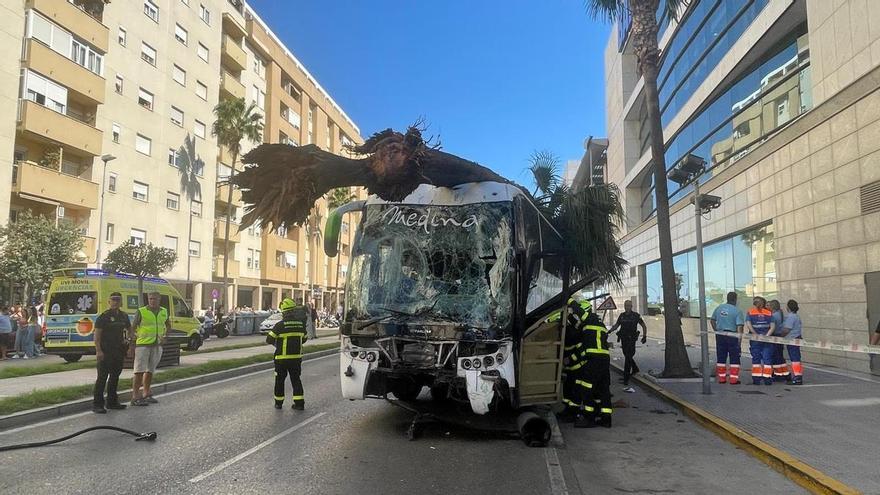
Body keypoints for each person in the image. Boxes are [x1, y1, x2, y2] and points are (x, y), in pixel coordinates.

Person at [574, 299, 613, 428]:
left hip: (594, 360)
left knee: (586, 387)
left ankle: (589, 417)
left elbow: (580, 316)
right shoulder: (599, 323)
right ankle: (606, 418)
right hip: (604, 359)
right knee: (603, 388)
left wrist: (568, 300)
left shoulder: (588, 319)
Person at [130, 292, 171, 406]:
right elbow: (132, 327)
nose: (152, 301)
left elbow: (168, 325)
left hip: (157, 345)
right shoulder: (142, 311)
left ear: (159, 299)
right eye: (150, 299)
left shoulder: (164, 311)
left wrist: (166, 336)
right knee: (139, 371)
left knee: (150, 371)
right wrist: (132, 341)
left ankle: (146, 393)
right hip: (143, 345)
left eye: (154, 299)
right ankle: (135, 396)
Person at [92, 292, 131, 413]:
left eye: (118, 300)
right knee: (102, 378)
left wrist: (130, 345)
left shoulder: (124, 316)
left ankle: (112, 401)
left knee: (115, 377)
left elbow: (129, 331)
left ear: (121, 302)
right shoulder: (103, 317)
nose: (115, 302)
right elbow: (97, 336)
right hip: (105, 351)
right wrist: (98, 350)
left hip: (118, 351)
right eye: (113, 300)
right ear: (109, 302)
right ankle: (97, 404)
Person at [267, 298, 308, 410]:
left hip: (281, 359)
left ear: (284, 312)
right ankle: (299, 403)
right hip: (296, 359)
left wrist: (278, 344)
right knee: (296, 380)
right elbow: (304, 339)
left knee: (279, 381)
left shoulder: (280, 325)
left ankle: (278, 403)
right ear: (294, 311)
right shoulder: (300, 325)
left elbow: (269, 339)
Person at [609, 300, 647, 389]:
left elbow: (643, 325)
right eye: (626, 305)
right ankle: (635, 369)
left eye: (629, 305)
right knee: (627, 355)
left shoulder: (636, 316)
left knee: (628, 357)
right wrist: (609, 331)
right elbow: (617, 325)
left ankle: (626, 378)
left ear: (631, 306)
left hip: (631, 339)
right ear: (624, 306)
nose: (627, 307)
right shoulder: (622, 316)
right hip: (623, 339)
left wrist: (644, 336)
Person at [710, 292, 744, 384]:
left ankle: (722, 378)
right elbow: (739, 327)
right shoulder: (737, 311)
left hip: (720, 335)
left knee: (721, 357)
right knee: (734, 358)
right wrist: (739, 341)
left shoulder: (719, 308)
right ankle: (733, 379)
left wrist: (716, 330)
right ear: (735, 299)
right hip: (732, 336)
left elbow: (712, 320)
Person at [745, 296, 776, 385]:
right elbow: (772, 326)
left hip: (755, 339)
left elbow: (748, 325)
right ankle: (767, 379)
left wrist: (755, 334)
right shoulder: (768, 313)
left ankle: (756, 379)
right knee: (767, 359)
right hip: (766, 339)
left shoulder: (750, 312)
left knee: (756, 359)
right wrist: (766, 336)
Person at [781, 299, 804, 385]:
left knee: (795, 359)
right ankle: (797, 376)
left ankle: (797, 377)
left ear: (788, 307)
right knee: (796, 358)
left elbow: (787, 329)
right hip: (796, 338)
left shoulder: (791, 317)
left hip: (792, 340)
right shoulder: (796, 316)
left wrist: (780, 337)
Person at [767, 300, 789, 381]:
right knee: (780, 356)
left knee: (776, 356)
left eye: (769, 305)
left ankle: (778, 374)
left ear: (773, 306)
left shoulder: (774, 316)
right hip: (779, 336)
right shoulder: (780, 314)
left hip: (775, 336)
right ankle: (785, 373)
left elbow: (772, 327)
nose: (767, 307)